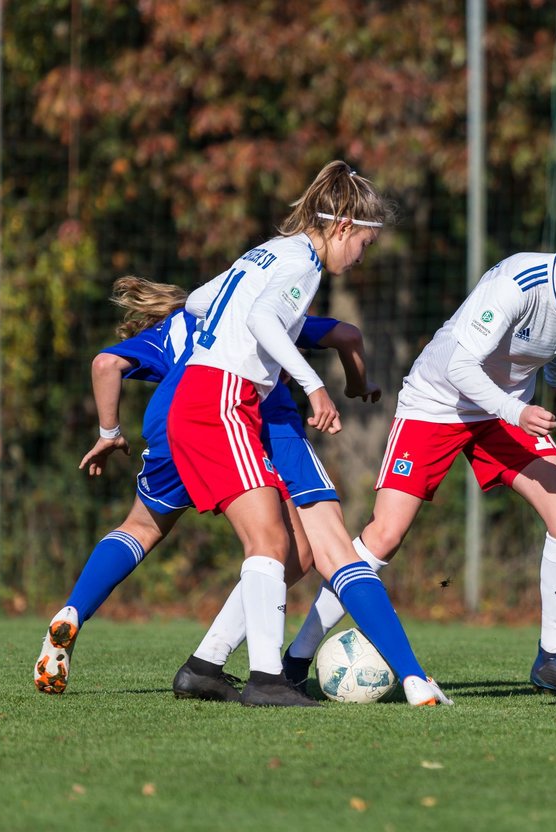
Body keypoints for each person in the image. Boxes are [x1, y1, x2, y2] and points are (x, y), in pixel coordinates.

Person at [283, 221, 556, 701]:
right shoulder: (517, 284)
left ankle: (553, 660)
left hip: (503, 410)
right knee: (385, 536)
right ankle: (297, 658)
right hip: (438, 403)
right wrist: (518, 409)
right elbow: (459, 365)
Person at [167, 160, 449, 707]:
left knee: (298, 547)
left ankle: (206, 665)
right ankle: (269, 679)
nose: (362, 257)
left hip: (239, 398)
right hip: (230, 398)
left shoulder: (267, 251)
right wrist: (314, 384)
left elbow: (202, 301)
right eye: (363, 244)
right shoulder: (304, 263)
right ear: (341, 227)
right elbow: (263, 321)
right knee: (275, 542)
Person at [33, 276, 384, 695]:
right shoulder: (251, 312)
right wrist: (357, 382)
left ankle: (74, 611)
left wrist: (109, 432)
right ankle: (244, 669)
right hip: (228, 415)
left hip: (170, 420)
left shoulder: (171, 329)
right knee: (289, 550)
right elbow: (346, 333)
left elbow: (105, 364)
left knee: (141, 527)